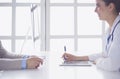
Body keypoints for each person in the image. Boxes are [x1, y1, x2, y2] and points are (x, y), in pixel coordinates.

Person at [63, 0, 120, 71]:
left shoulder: (118, 30)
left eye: (98, 5)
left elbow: (112, 64)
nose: (95, 10)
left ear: (110, 7)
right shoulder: (110, 30)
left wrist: (98, 61)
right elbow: (105, 54)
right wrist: (77, 58)